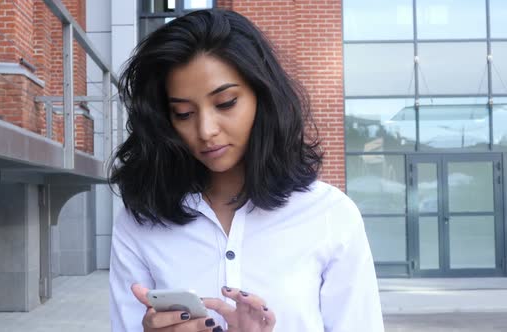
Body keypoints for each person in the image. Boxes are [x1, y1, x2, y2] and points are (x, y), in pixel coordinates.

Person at [108, 8, 384, 332]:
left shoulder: (331, 215)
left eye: (225, 103)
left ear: (262, 95)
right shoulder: (140, 221)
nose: (206, 129)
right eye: (183, 113)